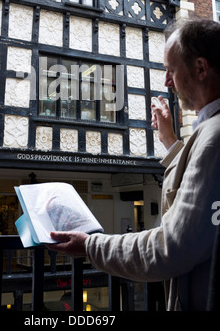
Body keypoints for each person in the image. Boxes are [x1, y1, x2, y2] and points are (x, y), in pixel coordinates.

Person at [48, 18, 220, 311]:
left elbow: (171, 248)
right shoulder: (209, 133)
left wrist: (90, 246)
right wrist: (171, 143)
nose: (167, 81)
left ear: (201, 69)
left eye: (171, 70)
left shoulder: (213, 136)